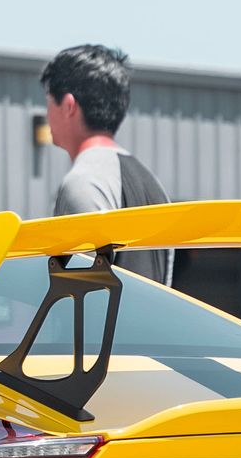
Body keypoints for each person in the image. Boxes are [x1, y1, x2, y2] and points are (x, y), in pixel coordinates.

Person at [42, 43, 170, 281]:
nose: (47, 113)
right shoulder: (151, 183)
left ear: (69, 106)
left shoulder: (84, 182)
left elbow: (83, 298)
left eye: (49, 101)